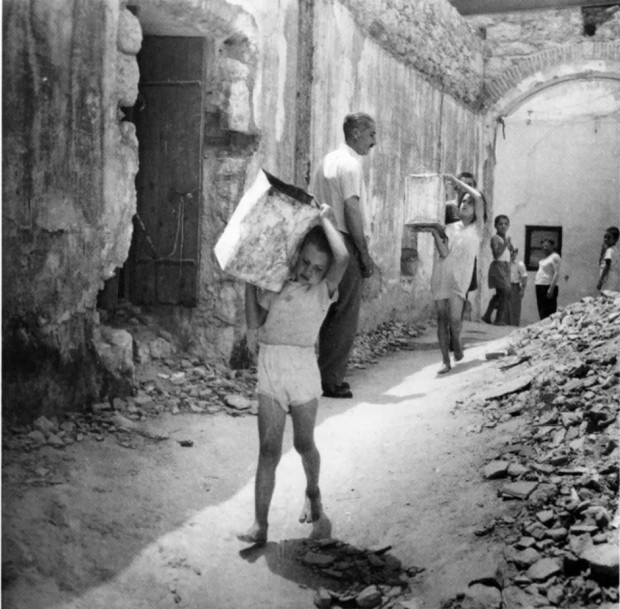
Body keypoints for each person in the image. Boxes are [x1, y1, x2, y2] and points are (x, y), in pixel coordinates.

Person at [238, 204, 349, 545]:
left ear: (325, 273)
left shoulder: (323, 292)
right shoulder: (277, 284)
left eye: (318, 268)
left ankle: (313, 491)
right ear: (297, 255)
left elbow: (343, 257)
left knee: (303, 443)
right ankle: (260, 524)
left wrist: (324, 218)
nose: (308, 272)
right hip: (271, 366)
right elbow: (254, 322)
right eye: (305, 262)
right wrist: (249, 280)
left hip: (302, 369)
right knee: (268, 450)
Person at [311, 113, 376, 398]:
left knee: (325, 310)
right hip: (342, 240)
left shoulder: (326, 161)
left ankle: (321, 375)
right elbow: (351, 210)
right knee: (346, 311)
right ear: (357, 132)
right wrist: (364, 254)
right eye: (371, 134)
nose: (374, 141)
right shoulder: (351, 164)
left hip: (321, 238)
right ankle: (331, 380)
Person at [430, 174, 485, 374]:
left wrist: (457, 182)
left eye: (469, 203)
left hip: (459, 280)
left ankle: (457, 341)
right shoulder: (449, 227)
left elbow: (478, 197)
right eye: (463, 202)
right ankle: (445, 360)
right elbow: (444, 253)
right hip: (441, 275)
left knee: (455, 321)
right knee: (441, 319)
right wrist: (434, 233)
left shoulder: (478, 228)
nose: (465, 204)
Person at [482, 215, 514, 325]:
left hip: (506, 266)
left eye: (506, 224)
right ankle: (499, 319)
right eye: (500, 224)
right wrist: (505, 244)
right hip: (498, 267)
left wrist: (512, 250)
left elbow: (508, 255)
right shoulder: (495, 238)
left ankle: (487, 315)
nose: (503, 226)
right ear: (495, 225)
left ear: (508, 225)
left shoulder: (506, 239)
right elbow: (496, 255)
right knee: (505, 292)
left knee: (501, 294)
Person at [534, 238, 561, 320]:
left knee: (549, 309)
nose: (545, 248)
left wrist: (551, 289)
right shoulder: (544, 258)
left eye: (547, 246)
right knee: (541, 308)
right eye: (544, 246)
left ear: (552, 246)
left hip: (548, 285)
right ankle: (543, 324)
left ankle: (550, 324)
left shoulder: (554, 257)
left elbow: (556, 273)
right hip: (540, 285)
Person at [596, 226, 620, 292]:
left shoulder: (610, 251)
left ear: (615, 239)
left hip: (608, 280)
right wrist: (603, 251)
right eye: (605, 237)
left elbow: (607, 266)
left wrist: (600, 281)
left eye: (609, 237)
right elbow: (601, 263)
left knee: (606, 295)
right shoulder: (613, 249)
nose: (606, 239)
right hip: (612, 279)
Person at [508, 247, 528, 326]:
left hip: (514, 287)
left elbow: (524, 277)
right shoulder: (506, 262)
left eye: (513, 252)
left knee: (515, 308)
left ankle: (514, 326)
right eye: (510, 252)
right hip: (505, 286)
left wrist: (522, 289)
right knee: (505, 308)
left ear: (516, 253)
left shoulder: (520, 264)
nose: (511, 254)